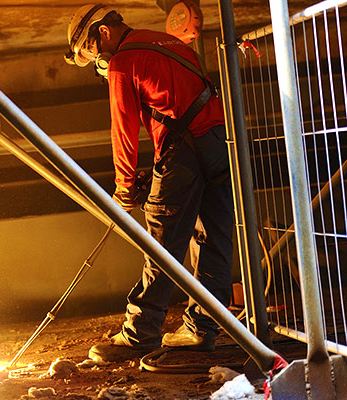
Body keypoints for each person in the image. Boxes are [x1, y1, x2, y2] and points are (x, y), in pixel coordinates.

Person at [65, 4, 233, 362]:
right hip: (220, 143)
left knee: (161, 243)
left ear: (104, 32)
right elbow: (180, 100)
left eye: (91, 51)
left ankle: (140, 334)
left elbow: (122, 132)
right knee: (213, 240)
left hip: (182, 153)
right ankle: (202, 329)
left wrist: (125, 189)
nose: (96, 60)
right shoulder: (170, 43)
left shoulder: (124, 62)